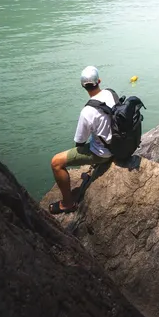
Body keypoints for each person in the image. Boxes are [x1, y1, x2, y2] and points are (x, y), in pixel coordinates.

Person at [49, 66, 116, 215]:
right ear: (99, 81)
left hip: (103, 154)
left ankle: (67, 204)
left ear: (82, 85)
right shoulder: (111, 93)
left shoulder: (87, 111)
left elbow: (80, 143)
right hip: (118, 146)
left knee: (56, 162)